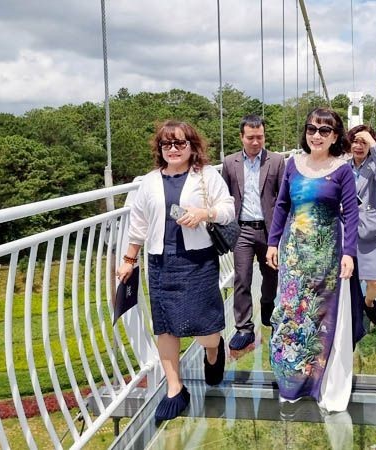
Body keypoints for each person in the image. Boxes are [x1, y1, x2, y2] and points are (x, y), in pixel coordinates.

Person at [117, 120, 235, 423]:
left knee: (206, 331)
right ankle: (175, 388)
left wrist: (204, 213)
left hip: (198, 261)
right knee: (165, 326)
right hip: (160, 262)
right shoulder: (149, 181)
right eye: (166, 144)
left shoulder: (207, 175)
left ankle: (214, 349)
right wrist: (129, 260)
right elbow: (138, 225)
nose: (173, 149)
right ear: (159, 149)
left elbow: (228, 210)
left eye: (180, 143)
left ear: (192, 145)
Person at [265, 107, 359, 412]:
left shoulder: (342, 170)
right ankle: (291, 383)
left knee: (319, 318)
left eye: (324, 130)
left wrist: (349, 253)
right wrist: (272, 243)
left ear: (335, 136)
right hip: (293, 258)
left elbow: (352, 214)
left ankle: (319, 382)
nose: (316, 135)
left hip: (326, 258)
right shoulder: (293, 164)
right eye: (311, 129)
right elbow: (281, 205)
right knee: (290, 316)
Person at [221, 115, 285, 350]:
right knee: (242, 278)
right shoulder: (229, 163)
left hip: (269, 230)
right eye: (251, 137)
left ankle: (268, 306)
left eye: (260, 137)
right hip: (242, 230)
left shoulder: (277, 161)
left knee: (271, 275)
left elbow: (282, 199)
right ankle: (244, 328)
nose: (256, 142)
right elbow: (225, 197)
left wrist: (279, 234)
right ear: (242, 137)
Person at [346, 124, 376, 326]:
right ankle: (353, 312)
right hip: (349, 229)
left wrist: (372, 142)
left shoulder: (374, 166)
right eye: (355, 141)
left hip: (374, 230)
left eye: (363, 142)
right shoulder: (343, 166)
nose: (359, 146)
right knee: (348, 279)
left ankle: (369, 302)